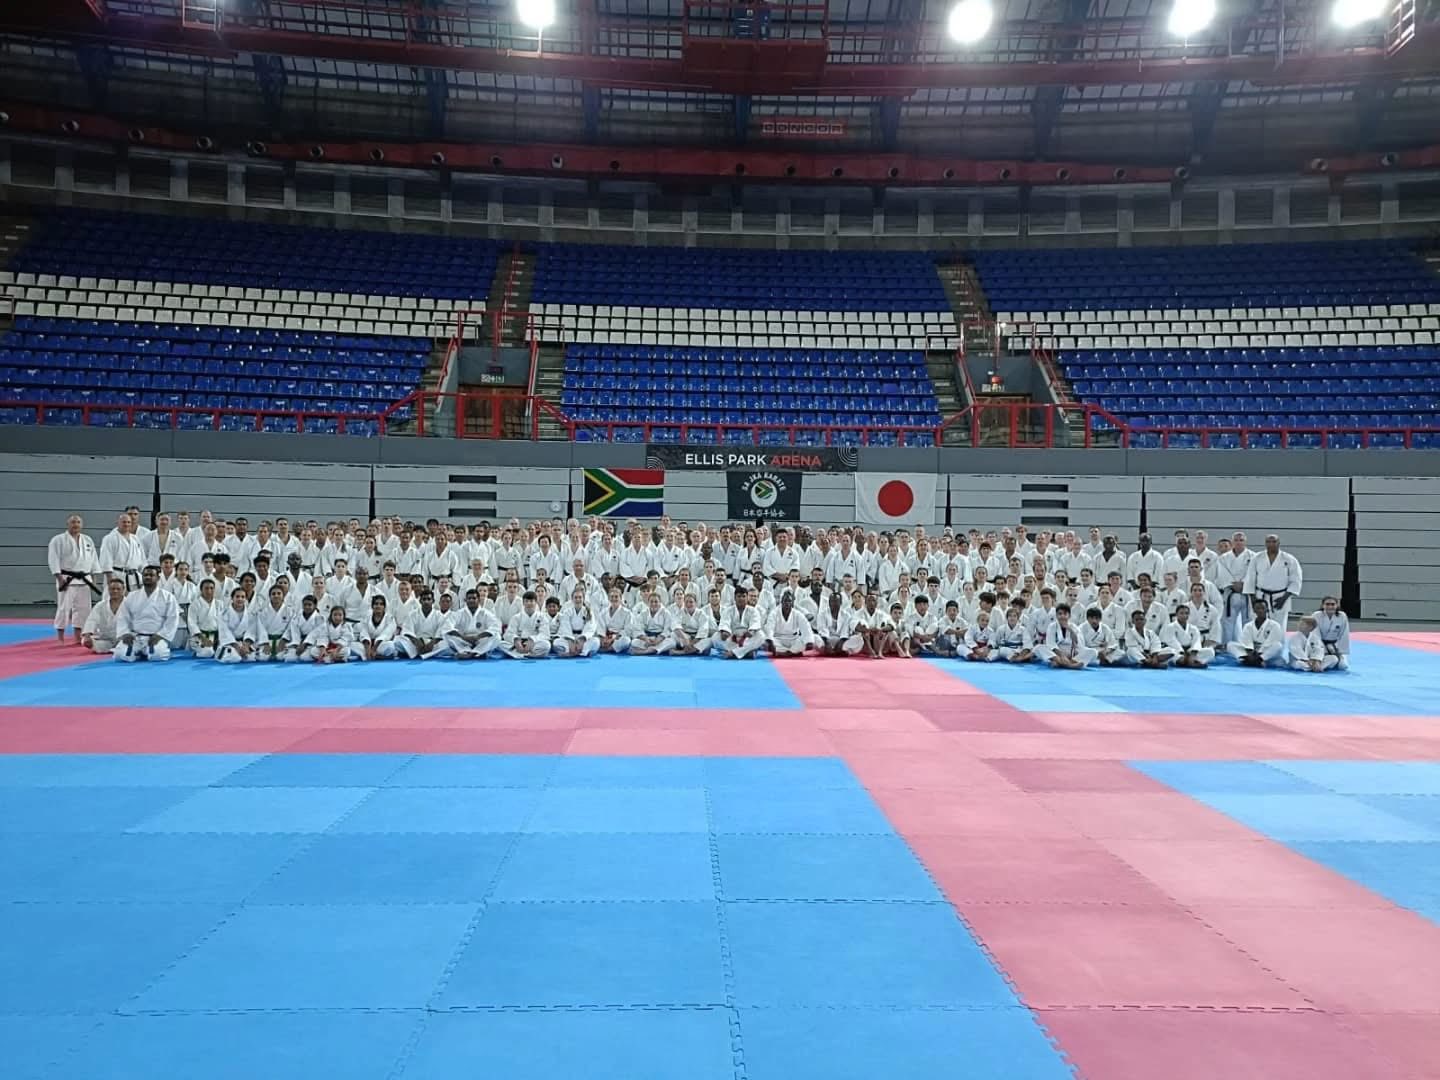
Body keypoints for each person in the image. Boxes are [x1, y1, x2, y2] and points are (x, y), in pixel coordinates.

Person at [48, 514, 100, 645]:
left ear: (82, 525)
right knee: (64, 608)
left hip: (84, 579)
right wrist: (59, 578)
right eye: (73, 522)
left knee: (84, 609)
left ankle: (78, 636)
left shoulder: (88, 540)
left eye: (78, 522)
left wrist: (94, 579)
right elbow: (53, 560)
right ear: (68, 524)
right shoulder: (58, 540)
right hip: (67, 579)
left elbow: (94, 560)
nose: (76, 524)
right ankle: (60, 637)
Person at [114, 565, 179, 663]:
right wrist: (125, 634)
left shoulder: (168, 597)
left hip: (156, 637)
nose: (147, 577)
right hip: (135, 637)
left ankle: (144, 652)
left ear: (158, 578)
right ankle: (138, 652)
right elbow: (123, 617)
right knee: (121, 655)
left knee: (157, 655)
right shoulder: (132, 596)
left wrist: (161, 635)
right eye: (145, 575)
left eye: (151, 575)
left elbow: (173, 619)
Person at [1244, 534, 1303, 637]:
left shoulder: (1289, 559)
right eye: (1268, 542)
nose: (1271, 544)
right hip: (1260, 595)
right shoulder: (1257, 558)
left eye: (1274, 542)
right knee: (1257, 622)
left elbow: (1296, 579)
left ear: (1279, 543)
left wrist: (1284, 598)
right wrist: (1253, 599)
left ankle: (1277, 648)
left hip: (1280, 596)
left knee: (1279, 625)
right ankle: (1257, 647)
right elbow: (1250, 578)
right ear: (1265, 543)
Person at [1216, 531, 1255, 645]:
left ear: (1245, 542)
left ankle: (1247, 646)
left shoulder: (1253, 556)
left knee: (1248, 621)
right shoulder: (1223, 558)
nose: (1238, 542)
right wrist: (1233, 584)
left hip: (1247, 593)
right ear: (1232, 542)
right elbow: (1222, 574)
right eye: (1236, 540)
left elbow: (1253, 574)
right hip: (1230, 593)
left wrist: (1244, 584)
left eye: (1241, 540)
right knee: (1227, 621)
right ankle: (1226, 645)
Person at [1226, 598, 1285, 667]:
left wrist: (1259, 654)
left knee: (1278, 646)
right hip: (1251, 652)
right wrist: (1250, 653)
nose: (1260, 610)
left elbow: (1271, 642)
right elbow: (1247, 643)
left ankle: (1257, 660)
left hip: (1266, 653)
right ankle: (1247, 659)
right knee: (1230, 645)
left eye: (1263, 608)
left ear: (1267, 610)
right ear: (1254, 610)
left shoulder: (1275, 625)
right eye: (1258, 608)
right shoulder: (1248, 626)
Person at [399, 590, 453, 659]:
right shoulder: (412, 614)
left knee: (446, 644)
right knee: (399, 639)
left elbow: (441, 632)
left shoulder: (439, 615)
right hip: (416, 643)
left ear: (433, 601)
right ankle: (427, 653)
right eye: (424, 599)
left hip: (433, 643)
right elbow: (407, 630)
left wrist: (432, 643)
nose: (426, 601)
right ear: (420, 601)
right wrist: (416, 642)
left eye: (429, 599)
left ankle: (414, 653)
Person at [1036, 603, 1094, 668]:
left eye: (1065, 614)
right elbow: (1051, 644)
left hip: (1071, 653)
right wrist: (1062, 655)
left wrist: (1069, 629)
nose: (1062, 616)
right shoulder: (1052, 626)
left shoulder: (1074, 627)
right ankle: (1069, 665)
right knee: (1039, 647)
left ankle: (1060, 663)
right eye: (1060, 614)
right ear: (1056, 615)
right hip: (1057, 653)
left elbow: (1078, 643)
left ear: (1069, 616)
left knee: (1092, 651)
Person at [80, 578, 126, 655]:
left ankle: (119, 648)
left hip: (123, 638)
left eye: (118, 589)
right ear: (108, 590)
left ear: (123, 590)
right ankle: (114, 648)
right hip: (106, 639)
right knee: (85, 641)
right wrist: (87, 634)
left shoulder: (129, 604)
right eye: (112, 589)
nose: (115, 591)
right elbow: (92, 620)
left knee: (129, 644)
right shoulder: (100, 605)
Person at [501, 590, 552, 659]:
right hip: (519, 643)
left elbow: (545, 634)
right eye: (526, 601)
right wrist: (516, 640)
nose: (529, 603)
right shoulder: (516, 617)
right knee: (500, 644)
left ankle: (519, 654)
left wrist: (533, 640)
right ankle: (527, 654)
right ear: (523, 603)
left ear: (536, 602)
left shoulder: (542, 617)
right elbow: (508, 634)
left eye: (531, 601)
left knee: (546, 645)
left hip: (534, 644)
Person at [551, 587, 599, 658]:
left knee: (596, 641)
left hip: (583, 638)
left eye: (580, 597)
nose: (578, 600)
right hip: (571, 637)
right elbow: (565, 627)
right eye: (575, 597)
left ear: (583, 599)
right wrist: (571, 641)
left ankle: (580, 652)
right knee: (556, 642)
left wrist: (582, 640)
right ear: (572, 599)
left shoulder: (588, 612)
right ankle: (575, 651)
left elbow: (590, 628)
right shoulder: (567, 612)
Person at [766, 590, 813, 658]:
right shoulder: (774, 613)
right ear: (781, 602)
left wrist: (809, 641)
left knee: (810, 639)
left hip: (794, 639)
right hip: (778, 639)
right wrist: (771, 642)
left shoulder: (797, 614)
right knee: (766, 642)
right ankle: (793, 652)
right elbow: (769, 629)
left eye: (789, 601)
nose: (787, 603)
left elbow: (806, 627)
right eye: (785, 601)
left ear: (792, 603)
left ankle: (785, 653)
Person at [723, 588, 765, 659]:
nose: (741, 599)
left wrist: (749, 633)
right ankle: (747, 652)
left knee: (761, 635)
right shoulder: (728, 610)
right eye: (739, 596)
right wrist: (727, 633)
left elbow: (754, 625)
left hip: (747, 638)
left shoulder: (753, 611)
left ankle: (734, 652)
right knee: (715, 637)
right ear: (734, 598)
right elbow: (725, 624)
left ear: (747, 598)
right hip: (733, 637)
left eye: (743, 596)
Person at [216, 589, 255, 663]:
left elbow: (251, 631)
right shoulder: (223, 614)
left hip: (243, 643)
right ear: (232, 598)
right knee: (234, 657)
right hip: (230, 643)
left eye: (243, 597)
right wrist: (236, 646)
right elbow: (225, 632)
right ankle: (222, 653)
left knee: (251, 658)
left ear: (246, 599)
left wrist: (246, 645)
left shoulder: (250, 614)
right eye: (237, 596)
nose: (240, 599)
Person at [1312, 596, 1350, 670]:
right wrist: (1324, 650)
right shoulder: (1316, 615)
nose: (1330, 606)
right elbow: (1315, 635)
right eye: (1327, 604)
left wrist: (1340, 651)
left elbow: (1344, 635)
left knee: (1343, 666)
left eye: (1333, 604)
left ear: (1337, 605)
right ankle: (1318, 666)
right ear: (1323, 605)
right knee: (1329, 660)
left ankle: (1327, 663)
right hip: (1319, 644)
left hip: (1334, 645)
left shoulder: (1342, 616)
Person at [359, 595, 402, 661]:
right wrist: (368, 649)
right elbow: (364, 633)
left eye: (381, 604)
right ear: (372, 606)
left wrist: (374, 648)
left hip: (380, 645)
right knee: (352, 645)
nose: (378, 606)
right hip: (367, 645)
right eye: (376, 604)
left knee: (390, 646)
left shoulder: (390, 618)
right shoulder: (366, 617)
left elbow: (386, 634)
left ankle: (372, 655)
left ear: (384, 607)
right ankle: (374, 655)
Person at [597, 586, 634, 655]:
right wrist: (603, 638)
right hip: (606, 637)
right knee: (595, 640)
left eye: (616, 597)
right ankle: (605, 646)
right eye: (612, 596)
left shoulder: (627, 613)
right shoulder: (603, 612)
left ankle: (608, 649)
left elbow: (628, 630)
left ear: (621, 598)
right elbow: (600, 628)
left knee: (626, 641)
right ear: (608, 598)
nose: (614, 599)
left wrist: (613, 639)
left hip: (618, 638)